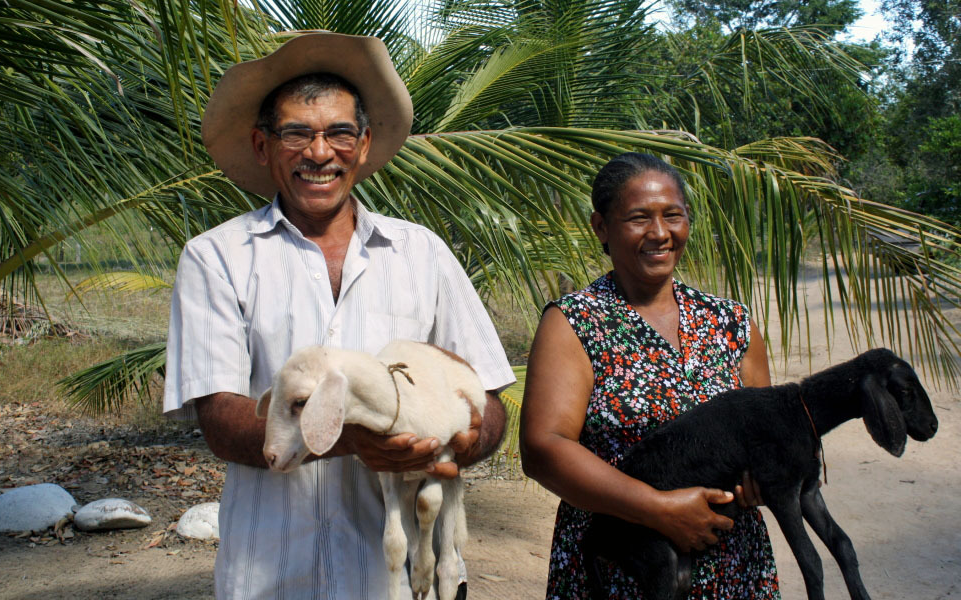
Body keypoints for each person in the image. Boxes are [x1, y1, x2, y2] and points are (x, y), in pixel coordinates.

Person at [163, 32, 514, 600]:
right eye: (297, 133)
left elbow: (488, 399)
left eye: (339, 133)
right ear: (262, 146)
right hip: (271, 576)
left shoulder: (421, 254)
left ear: (366, 143)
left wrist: (457, 443)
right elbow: (221, 420)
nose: (320, 153)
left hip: (402, 580)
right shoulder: (216, 257)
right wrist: (354, 439)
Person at [520, 152, 780, 599]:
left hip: (729, 566)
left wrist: (763, 479)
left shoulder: (732, 322)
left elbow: (765, 436)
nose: (660, 233)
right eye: (639, 218)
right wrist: (658, 509)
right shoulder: (575, 323)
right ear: (601, 227)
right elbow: (545, 448)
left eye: (672, 216)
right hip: (620, 565)